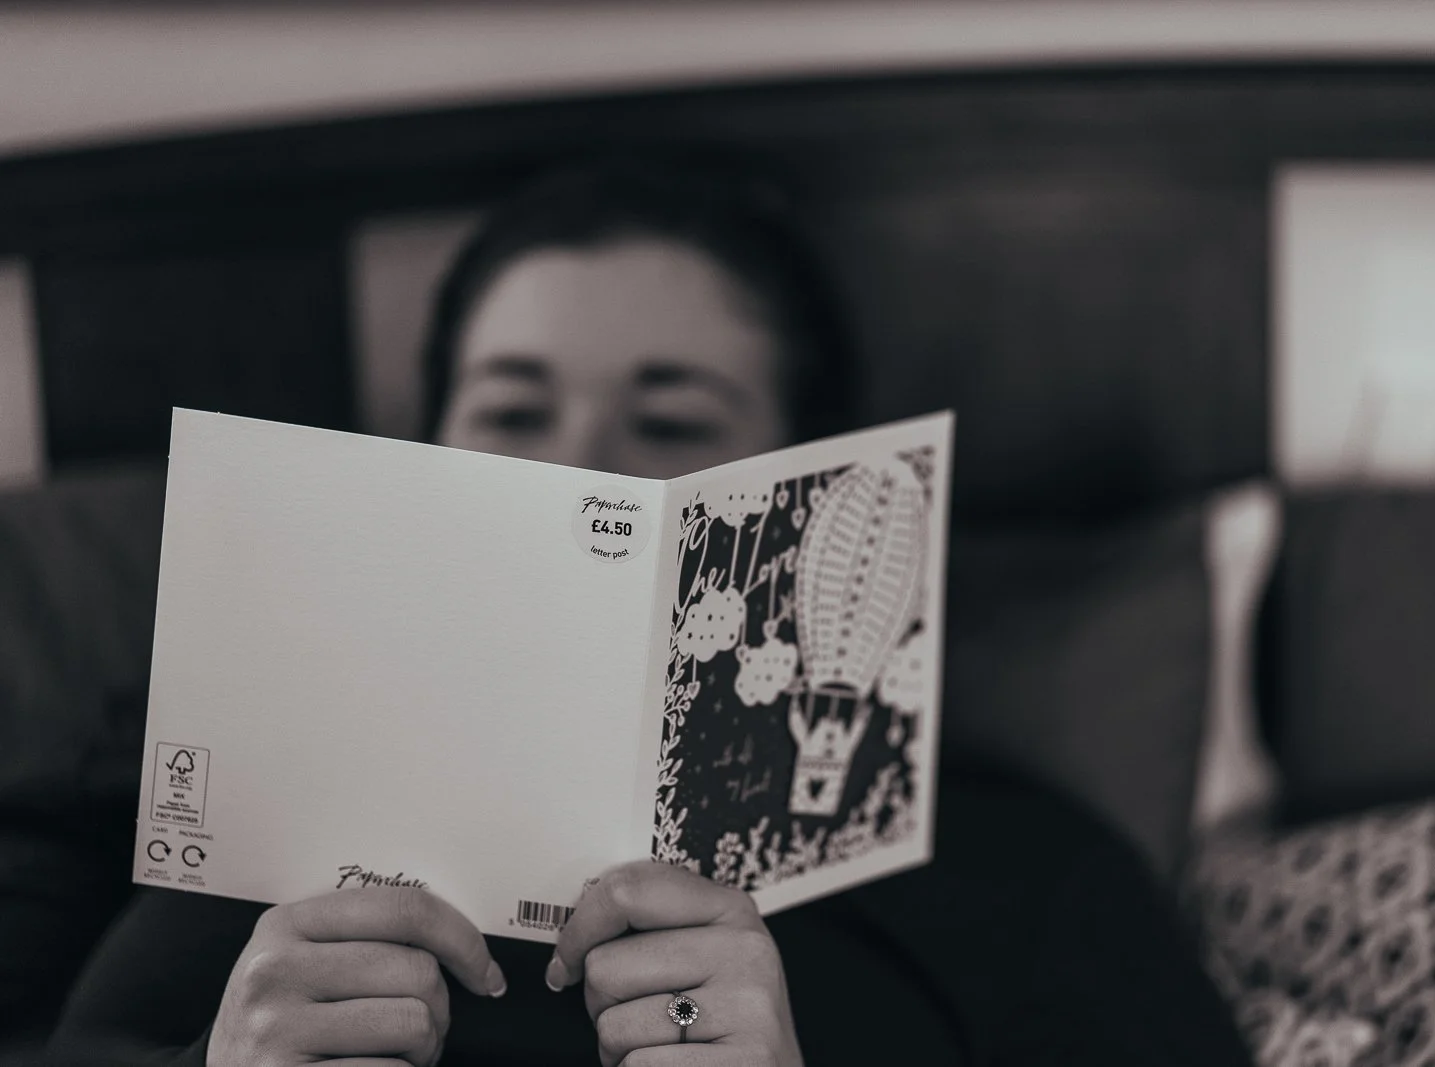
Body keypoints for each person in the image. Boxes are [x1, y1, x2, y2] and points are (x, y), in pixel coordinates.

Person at [47, 154, 1255, 1067]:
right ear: (429, 448)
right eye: (512, 411)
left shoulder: (1020, 866)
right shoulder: (234, 806)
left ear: (803, 480)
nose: (578, 468)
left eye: (672, 422)